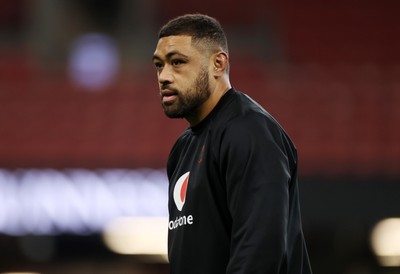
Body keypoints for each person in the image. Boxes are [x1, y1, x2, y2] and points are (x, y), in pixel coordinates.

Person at [152, 14, 312, 274]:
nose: (164, 76)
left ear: (218, 63)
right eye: (159, 65)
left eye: (177, 62)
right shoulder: (182, 149)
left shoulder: (250, 132)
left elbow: (261, 251)